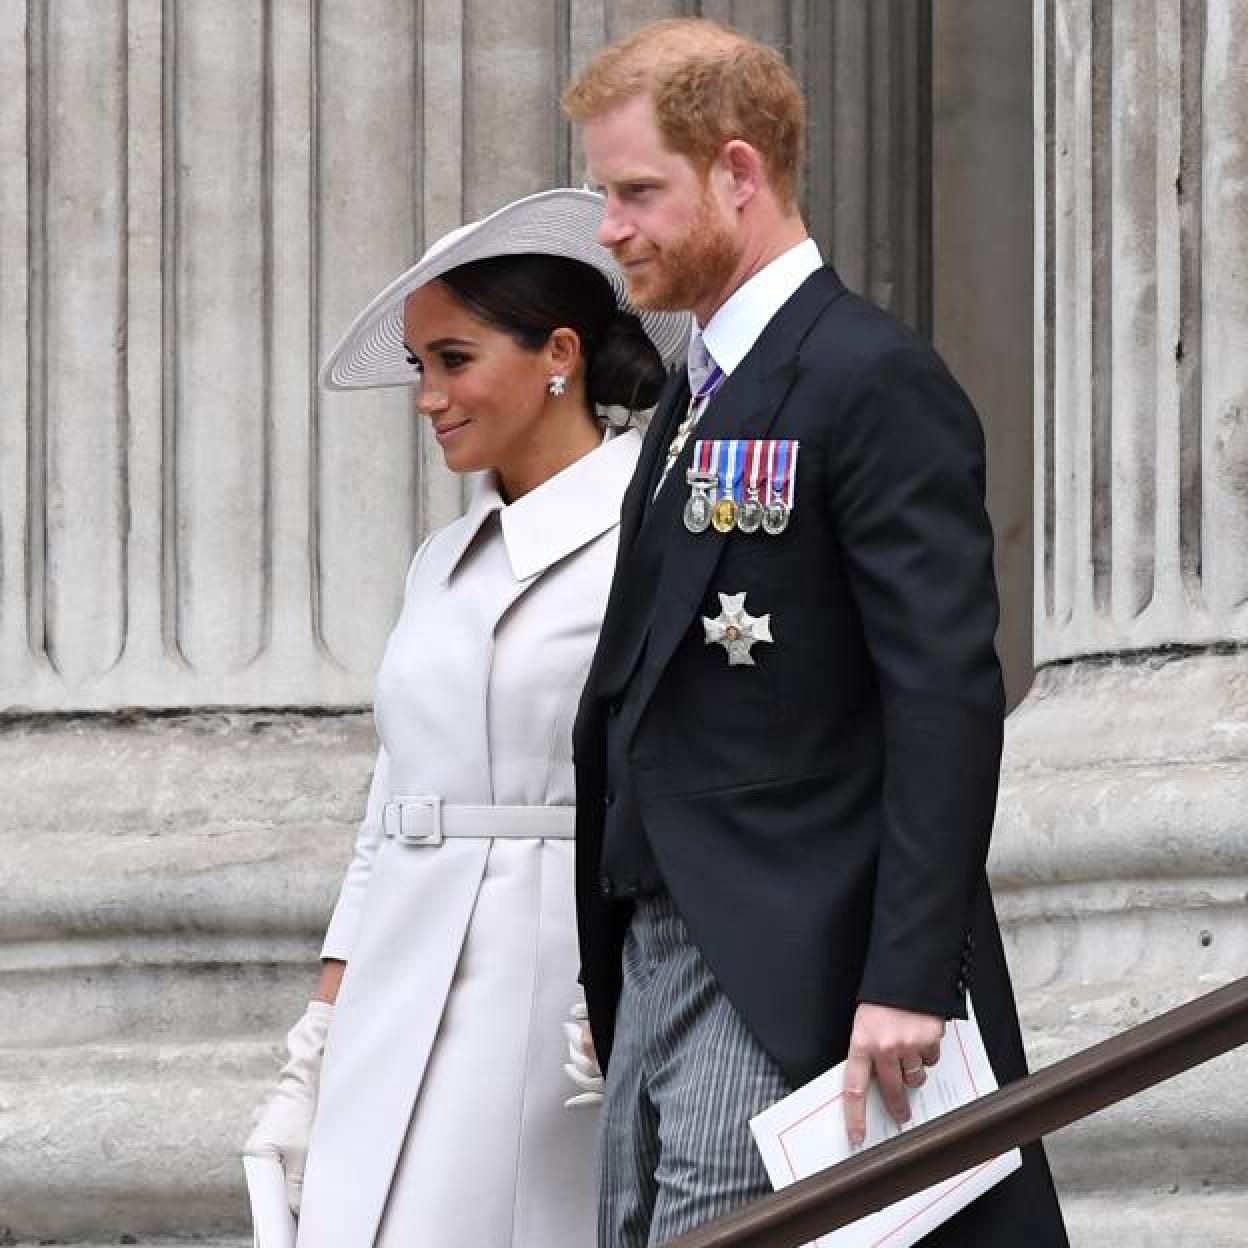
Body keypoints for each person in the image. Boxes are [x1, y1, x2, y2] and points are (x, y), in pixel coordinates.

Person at [561, 19, 1070, 1247]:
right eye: (606, 194)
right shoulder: (700, 386)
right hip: (665, 947)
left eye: (638, 192)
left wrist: (910, 974)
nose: (610, 228)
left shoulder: (867, 374)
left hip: (793, 961)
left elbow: (943, 692)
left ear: (739, 173)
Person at [242, 187, 688, 1247]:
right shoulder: (441, 559)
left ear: (559, 354)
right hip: (397, 980)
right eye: (419, 367)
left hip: (548, 992)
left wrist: (630, 988)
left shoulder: (655, 535)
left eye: (453, 359)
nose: (427, 397)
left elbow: (684, 783)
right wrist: (317, 1041)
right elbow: (389, 808)